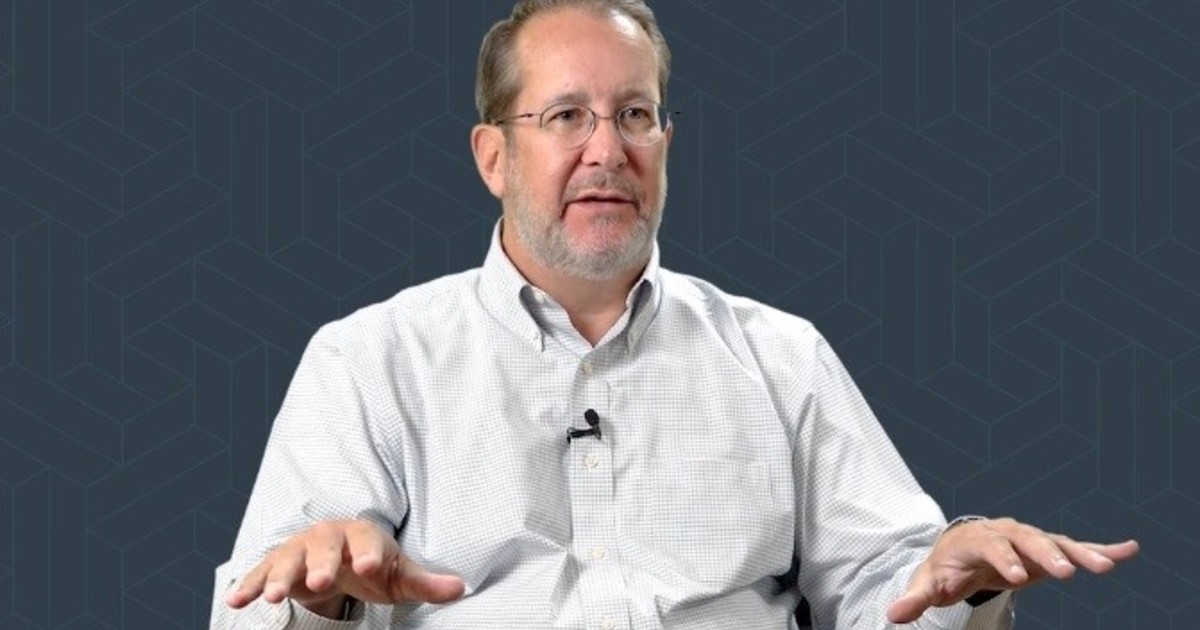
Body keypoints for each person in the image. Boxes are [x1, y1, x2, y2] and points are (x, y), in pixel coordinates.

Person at [211, 1, 1139, 628]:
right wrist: (325, 601)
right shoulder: (371, 359)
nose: (607, 150)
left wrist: (951, 583)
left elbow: (884, 591)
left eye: (635, 115)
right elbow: (250, 612)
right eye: (566, 116)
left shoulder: (780, 355)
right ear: (493, 157)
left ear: (666, 141)